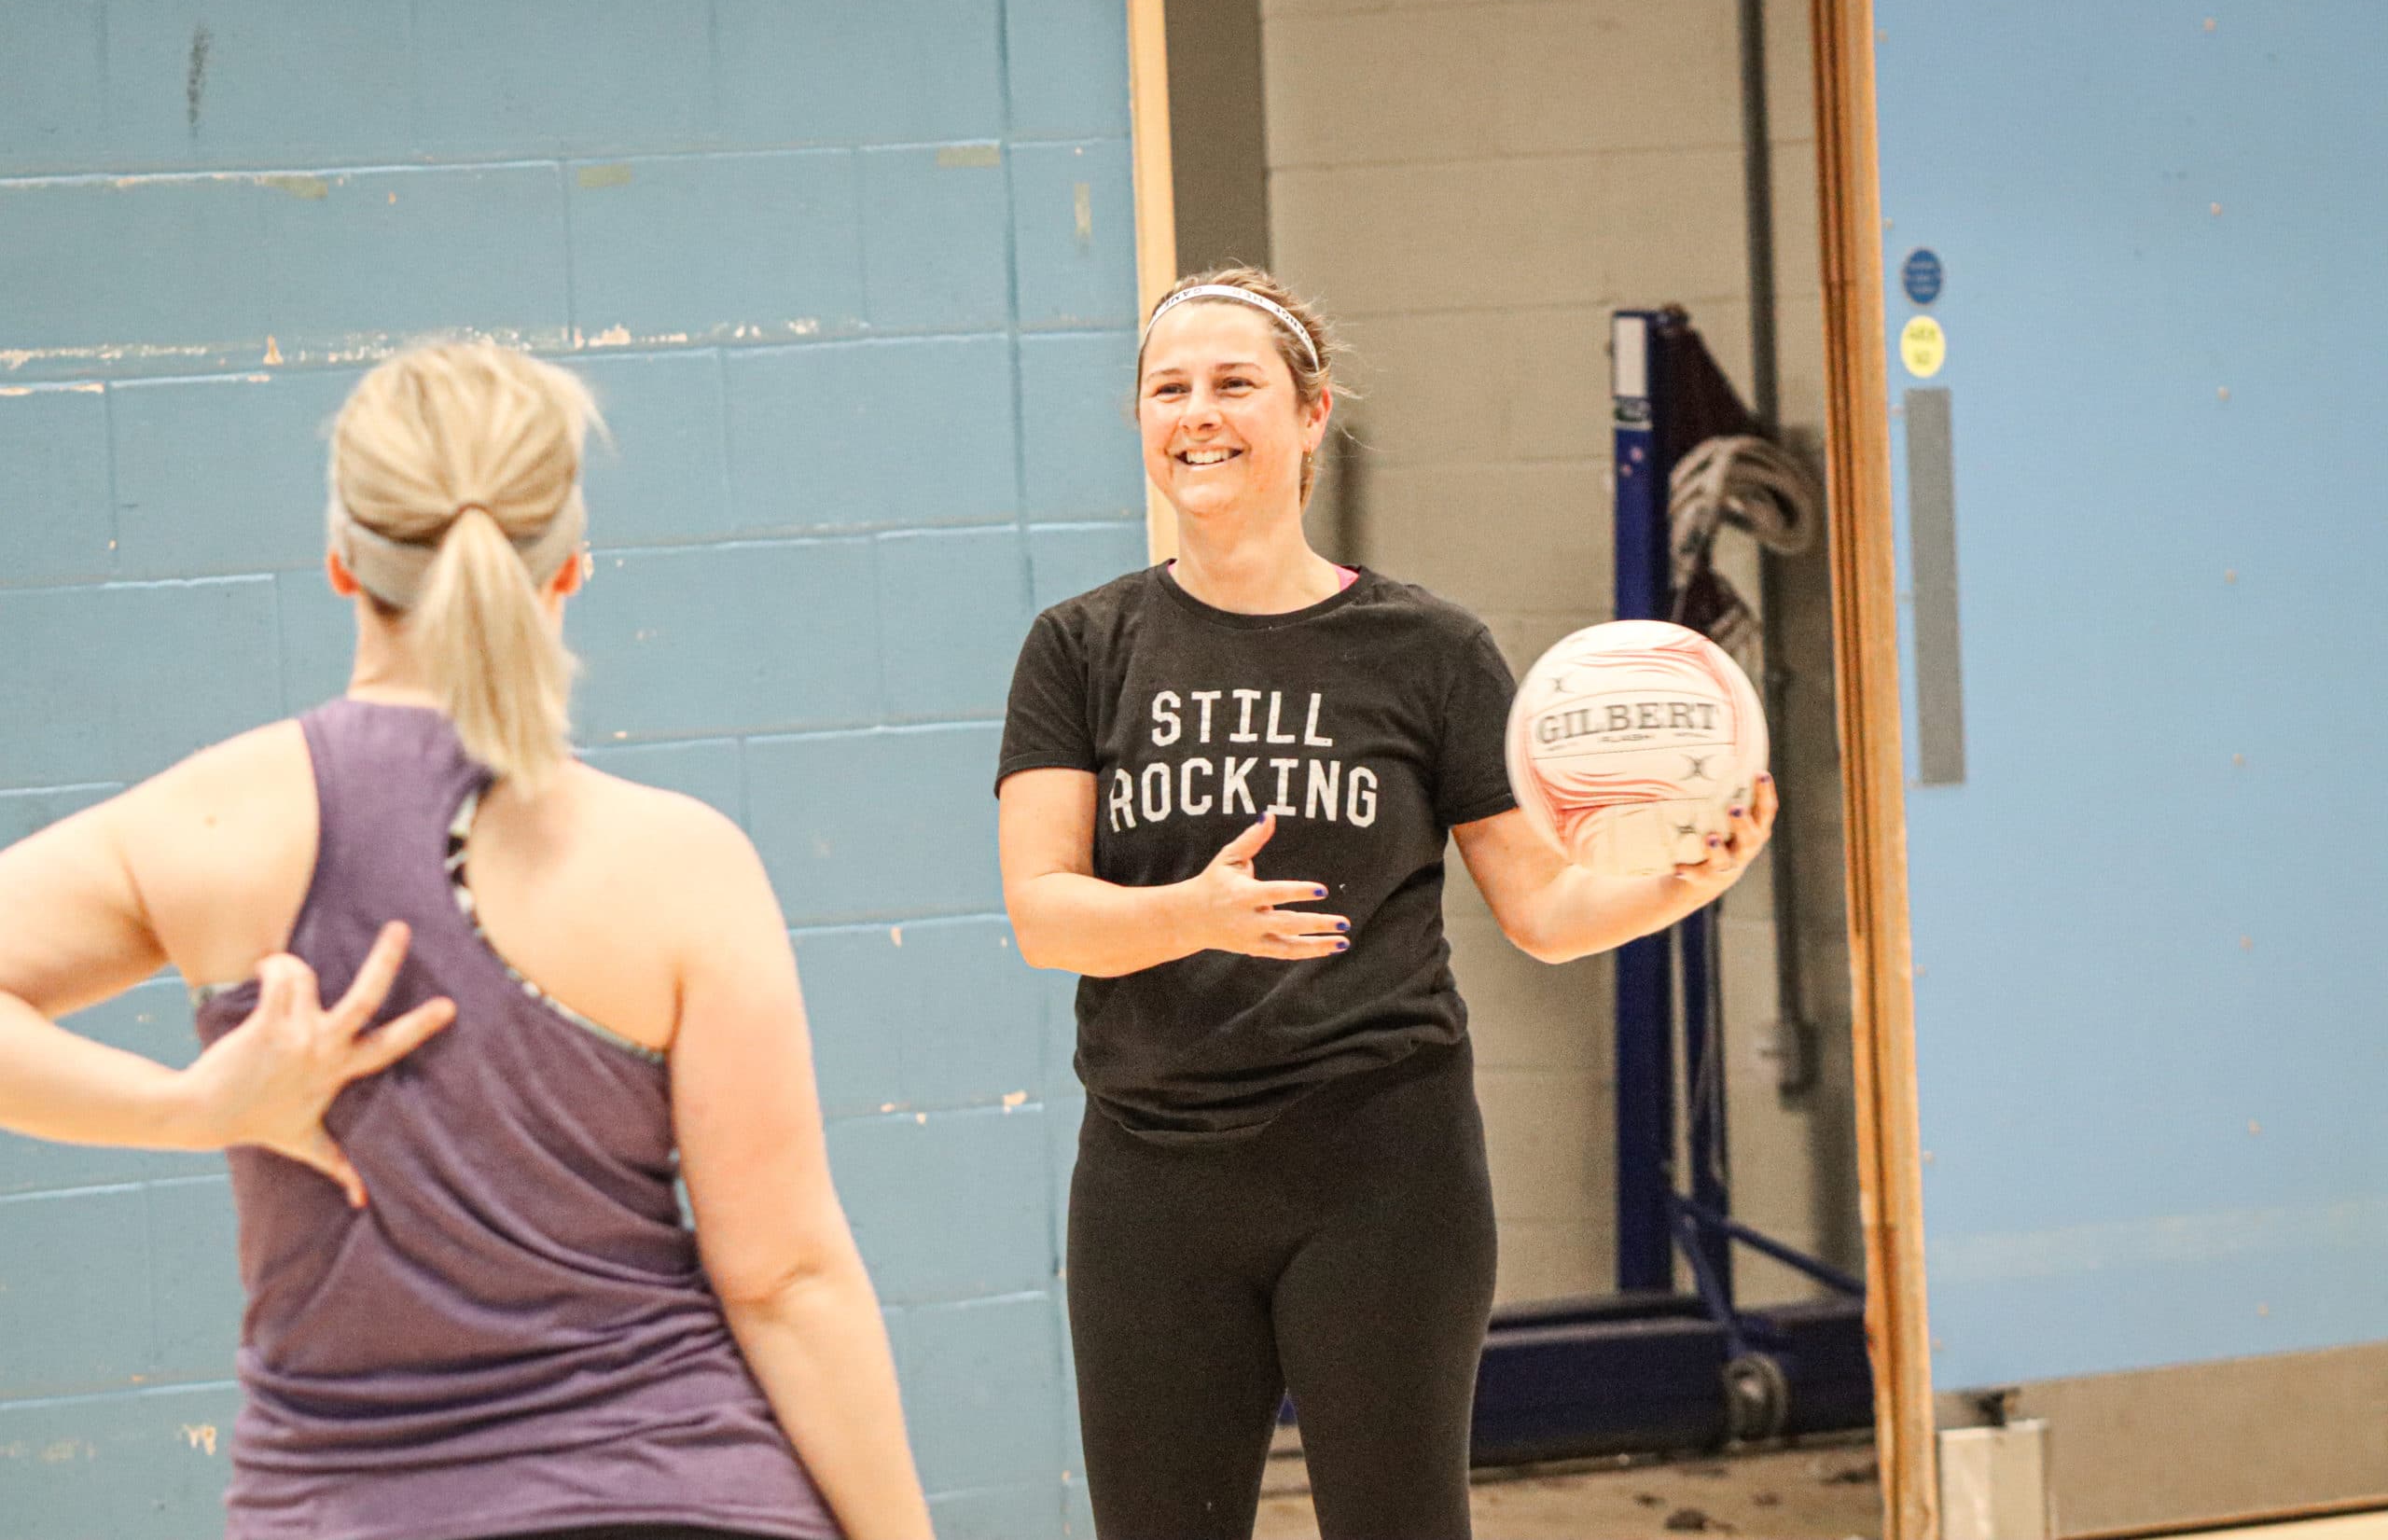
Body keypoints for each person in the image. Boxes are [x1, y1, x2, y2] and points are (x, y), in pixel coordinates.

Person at [0, 341, 933, 1540]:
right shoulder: (680, 864)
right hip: (685, 1494)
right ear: (572, 568)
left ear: (341, 563)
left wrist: (190, 1108)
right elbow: (783, 1278)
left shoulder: (210, 822)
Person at [995, 269, 1777, 1540]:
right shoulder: (1081, 646)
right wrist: (1192, 913)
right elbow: (1043, 909)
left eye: (1235, 384)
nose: (1198, 413)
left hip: (1383, 1169)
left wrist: (1688, 875)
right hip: (1153, 1180)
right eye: (1168, 388)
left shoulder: (1431, 649)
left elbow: (1542, 902)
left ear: (1310, 415)